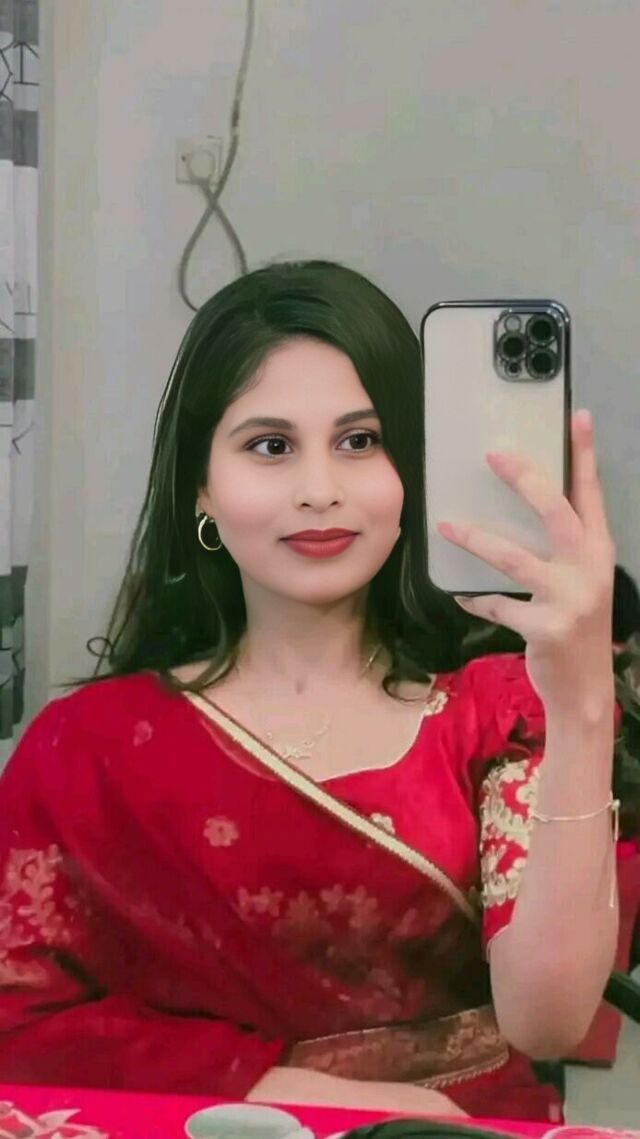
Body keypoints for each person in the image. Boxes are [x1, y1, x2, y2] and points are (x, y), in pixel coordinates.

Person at [0, 261, 619, 1121]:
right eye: (271, 446)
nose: (320, 488)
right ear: (202, 488)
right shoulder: (88, 747)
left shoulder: (497, 711)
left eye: (360, 441)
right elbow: (20, 1017)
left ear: (415, 469)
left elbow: (548, 1019)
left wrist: (583, 699)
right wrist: (297, 1095)